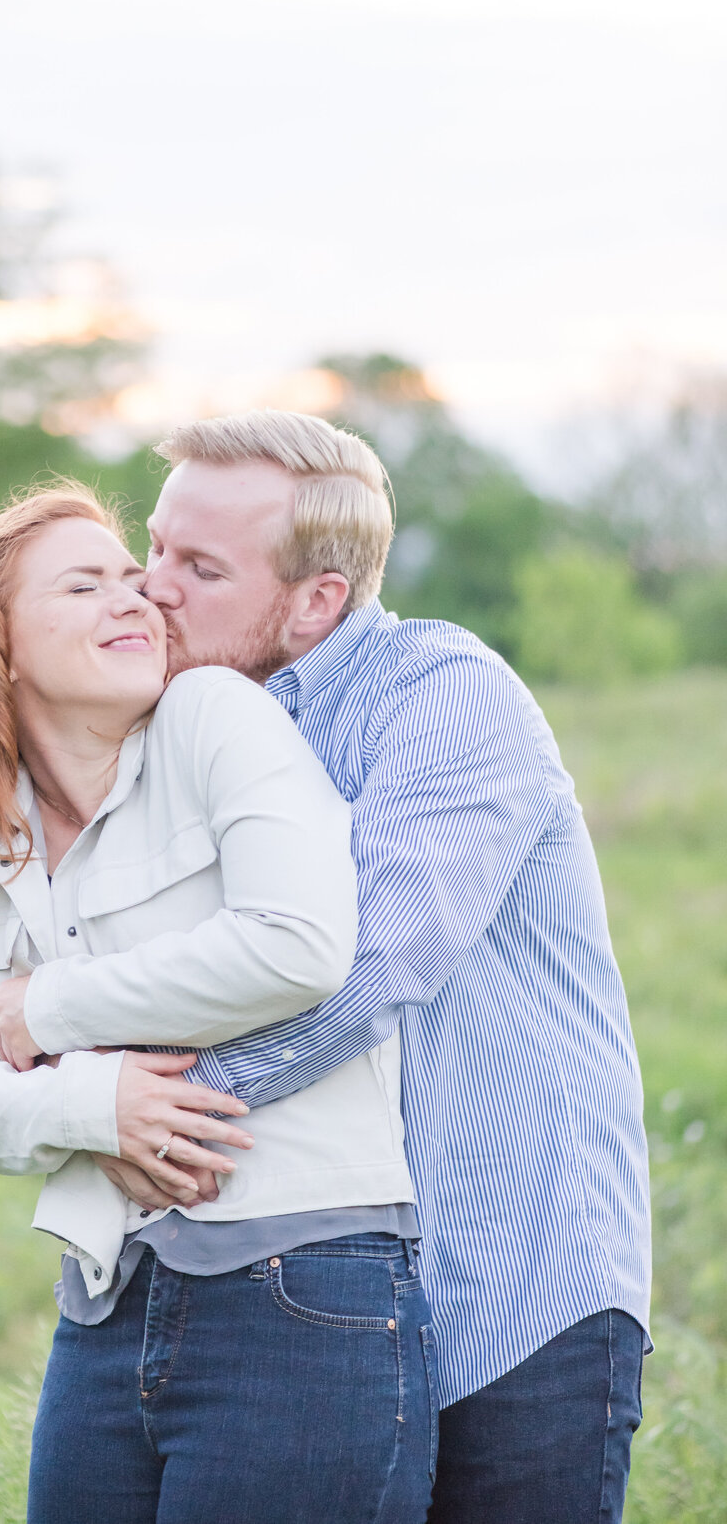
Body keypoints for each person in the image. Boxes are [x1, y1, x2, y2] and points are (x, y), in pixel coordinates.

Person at [84, 408, 648, 1524]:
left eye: (199, 566)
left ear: (317, 601)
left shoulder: (443, 695)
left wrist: (156, 1108)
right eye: (154, 546)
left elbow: (365, 966)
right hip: (316, 1303)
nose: (153, 586)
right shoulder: (182, 725)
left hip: (511, 1284)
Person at [0, 483, 435, 1524]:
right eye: (85, 584)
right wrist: (91, 1106)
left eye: (133, 581)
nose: (134, 600)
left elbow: (299, 942)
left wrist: (47, 1009)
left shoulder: (212, 715)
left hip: (304, 1281)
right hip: (108, 1297)